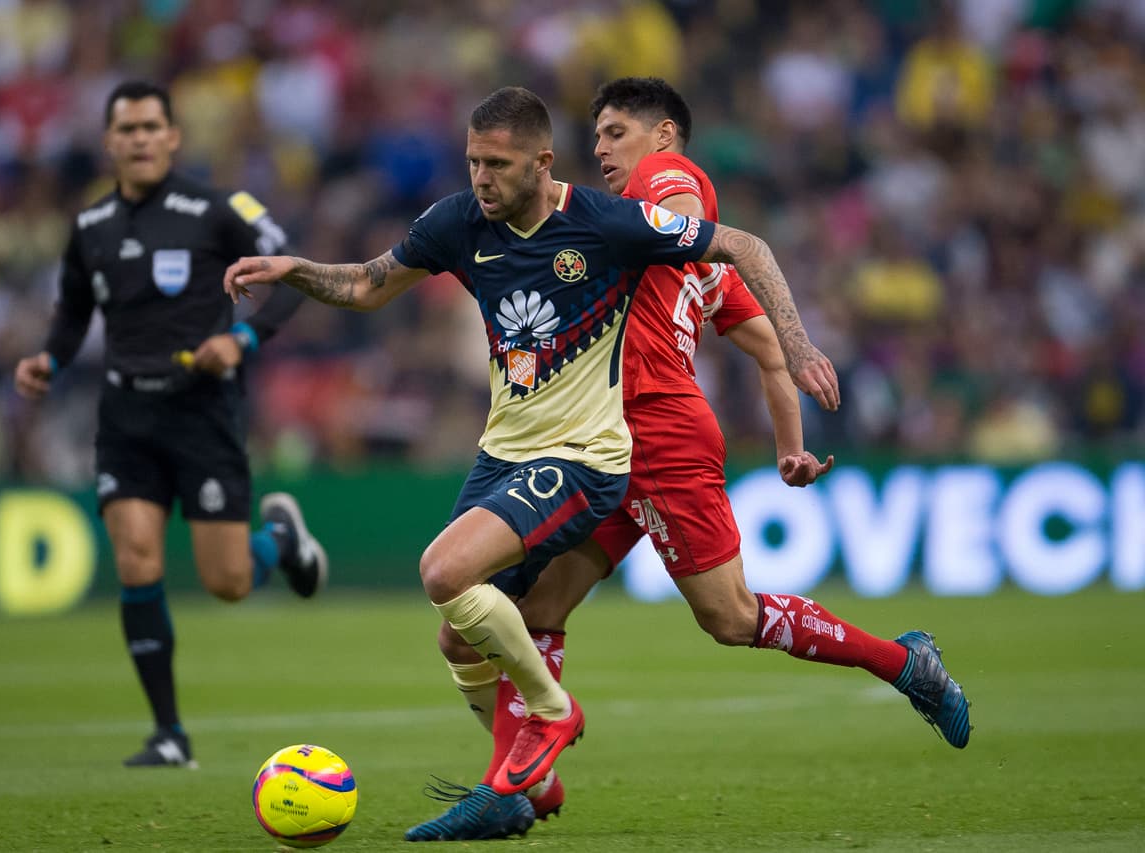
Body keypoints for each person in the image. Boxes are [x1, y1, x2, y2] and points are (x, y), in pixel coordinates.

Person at [223, 86, 840, 836]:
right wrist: (293, 269)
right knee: (457, 633)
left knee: (444, 572)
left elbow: (745, 245)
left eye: (498, 164)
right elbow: (363, 284)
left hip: (586, 454)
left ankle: (552, 710)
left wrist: (800, 347)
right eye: (473, 161)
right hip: (504, 451)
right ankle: (528, 784)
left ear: (542, 163)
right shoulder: (456, 222)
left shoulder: (605, 222)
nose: (481, 178)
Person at [405, 77, 973, 841]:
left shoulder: (656, 190)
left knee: (732, 618)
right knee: (536, 607)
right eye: (596, 136)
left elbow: (681, 205)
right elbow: (767, 345)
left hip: (661, 437)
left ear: (662, 134)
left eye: (614, 132)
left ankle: (904, 663)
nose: (601, 150)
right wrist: (790, 447)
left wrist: (667, 223)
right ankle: (515, 784)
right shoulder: (670, 258)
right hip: (596, 442)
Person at [13, 81, 327, 768]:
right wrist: (50, 359)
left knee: (228, 581)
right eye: (128, 129)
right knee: (136, 556)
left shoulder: (218, 210)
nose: (141, 138)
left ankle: (278, 537)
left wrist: (240, 342)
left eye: (153, 126)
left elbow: (293, 276)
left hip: (201, 409)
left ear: (174, 136)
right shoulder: (90, 226)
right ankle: (168, 734)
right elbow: (72, 313)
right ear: (110, 142)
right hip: (126, 412)